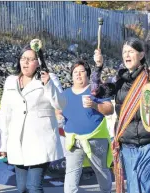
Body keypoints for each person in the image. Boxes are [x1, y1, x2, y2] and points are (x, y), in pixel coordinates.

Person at [92, 37, 150, 193]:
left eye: (131, 51)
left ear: (141, 55)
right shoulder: (118, 79)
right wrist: (98, 66)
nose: (126, 55)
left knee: (141, 183)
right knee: (143, 185)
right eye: (124, 52)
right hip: (127, 144)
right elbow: (96, 91)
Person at [0, 44, 66, 193]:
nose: (25, 62)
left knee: (33, 187)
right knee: (22, 188)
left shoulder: (49, 78)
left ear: (38, 62)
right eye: (23, 58)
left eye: (30, 59)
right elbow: (5, 114)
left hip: (41, 142)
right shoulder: (10, 81)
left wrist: (48, 84)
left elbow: (61, 103)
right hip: (17, 143)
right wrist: (2, 144)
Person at [61, 60, 113, 193]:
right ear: (71, 75)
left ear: (88, 74)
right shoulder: (65, 94)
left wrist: (94, 105)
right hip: (73, 141)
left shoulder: (96, 90)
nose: (78, 75)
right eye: (75, 72)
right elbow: (57, 109)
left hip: (95, 139)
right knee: (70, 178)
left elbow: (110, 109)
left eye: (82, 71)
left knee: (101, 171)